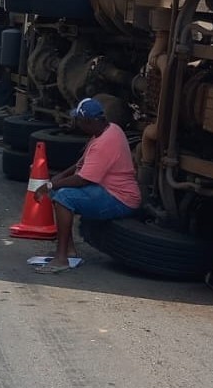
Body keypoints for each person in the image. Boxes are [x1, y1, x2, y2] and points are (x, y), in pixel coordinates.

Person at [33, 97, 141, 273]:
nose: (76, 124)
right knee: (59, 191)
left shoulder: (105, 143)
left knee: (63, 197)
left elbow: (83, 179)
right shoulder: (109, 129)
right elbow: (81, 164)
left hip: (120, 199)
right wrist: (57, 179)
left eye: (79, 120)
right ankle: (69, 251)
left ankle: (61, 259)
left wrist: (51, 186)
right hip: (108, 190)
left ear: (88, 122)